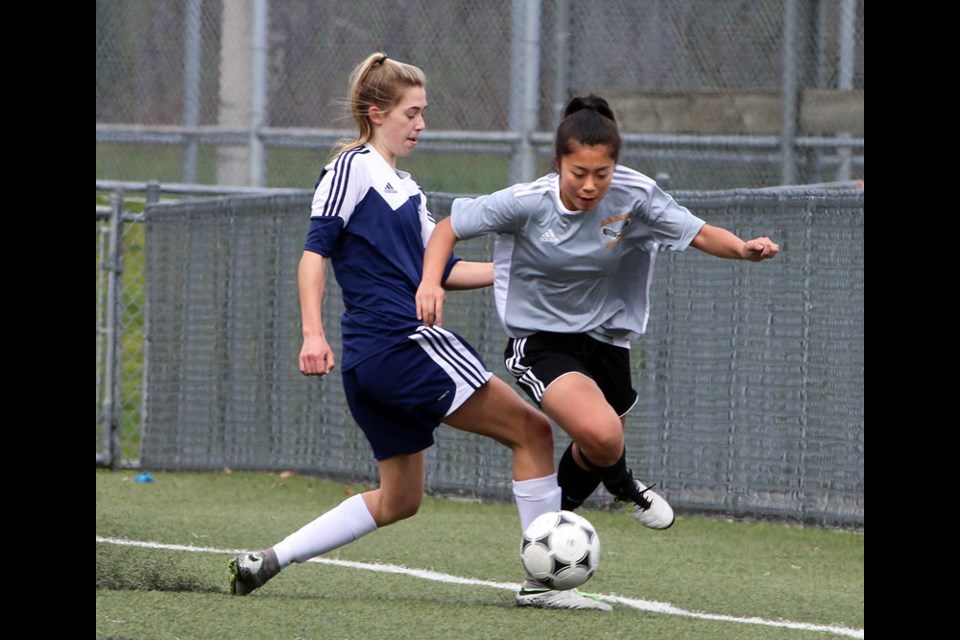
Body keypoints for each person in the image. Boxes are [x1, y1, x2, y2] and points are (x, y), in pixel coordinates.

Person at [228, 55, 614, 612]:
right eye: (412, 113)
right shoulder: (352, 167)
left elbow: (445, 272)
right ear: (376, 112)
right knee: (532, 432)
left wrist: (531, 270)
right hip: (399, 344)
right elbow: (315, 253)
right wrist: (311, 334)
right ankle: (543, 585)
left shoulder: (407, 190)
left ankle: (269, 559)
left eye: (423, 113)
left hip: (372, 364)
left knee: (400, 499)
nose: (421, 124)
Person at [418, 94, 780, 534]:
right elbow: (447, 228)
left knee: (597, 444)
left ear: (615, 167)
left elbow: (699, 233)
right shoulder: (528, 202)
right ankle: (623, 483)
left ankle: (548, 544)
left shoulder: (635, 194)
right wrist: (430, 282)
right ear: (558, 164)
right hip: (541, 339)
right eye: (578, 174)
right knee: (605, 436)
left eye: (601, 174)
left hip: (607, 337)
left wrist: (743, 249)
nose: (590, 185)